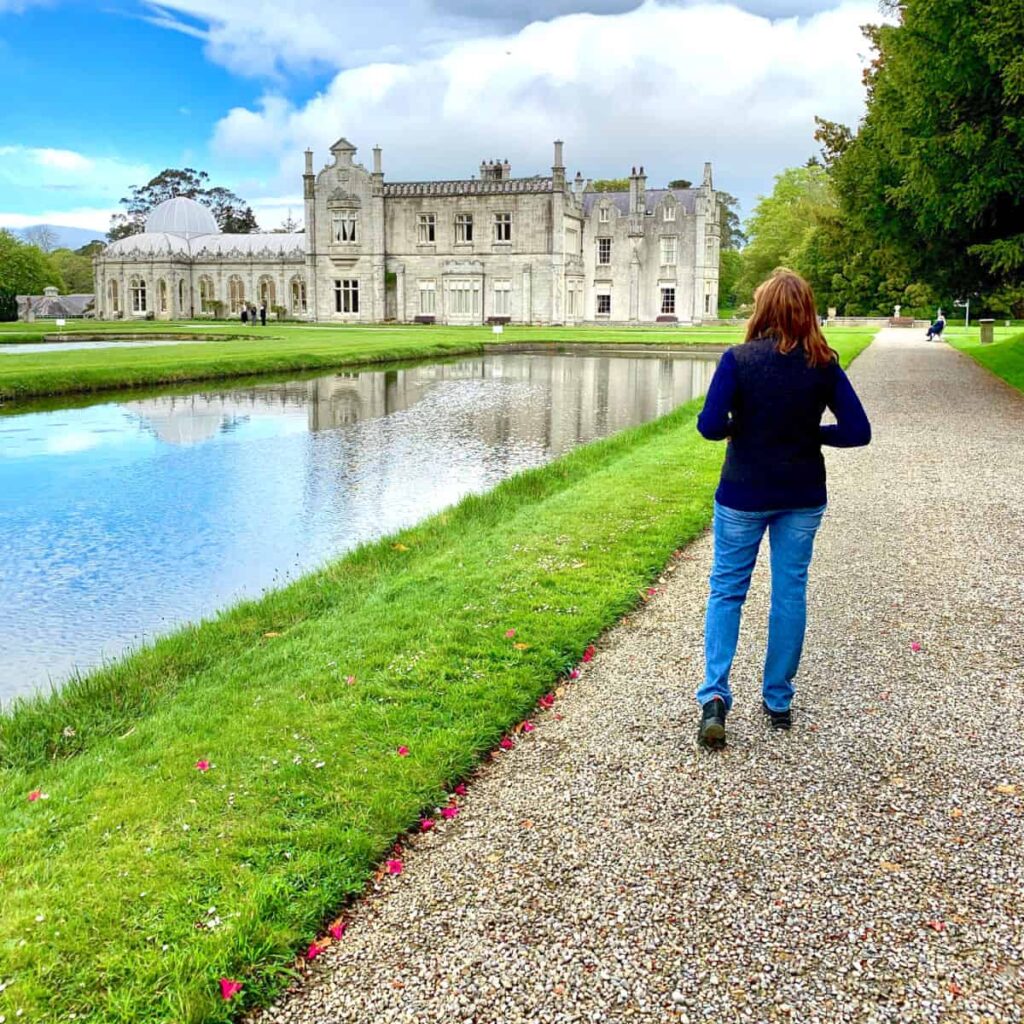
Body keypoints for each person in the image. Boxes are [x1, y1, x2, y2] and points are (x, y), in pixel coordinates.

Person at [694, 268, 871, 749]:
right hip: (801, 492)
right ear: (807, 310)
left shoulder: (738, 359)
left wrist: (737, 427)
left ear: (763, 309)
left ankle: (714, 698)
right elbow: (857, 432)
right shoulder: (824, 363)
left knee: (727, 590)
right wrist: (812, 434)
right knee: (789, 592)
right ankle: (777, 699)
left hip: (743, 492)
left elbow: (710, 427)